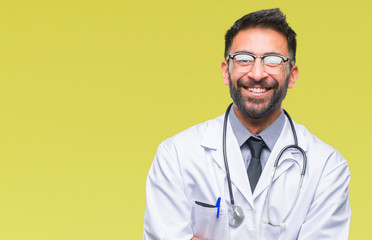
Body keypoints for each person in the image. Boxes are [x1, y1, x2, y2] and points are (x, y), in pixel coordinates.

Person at [143, 8, 351, 240]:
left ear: (292, 75)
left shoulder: (327, 168)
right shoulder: (177, 156)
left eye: (273, 60)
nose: (257, 73)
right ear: (226, 71)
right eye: (244, 59)